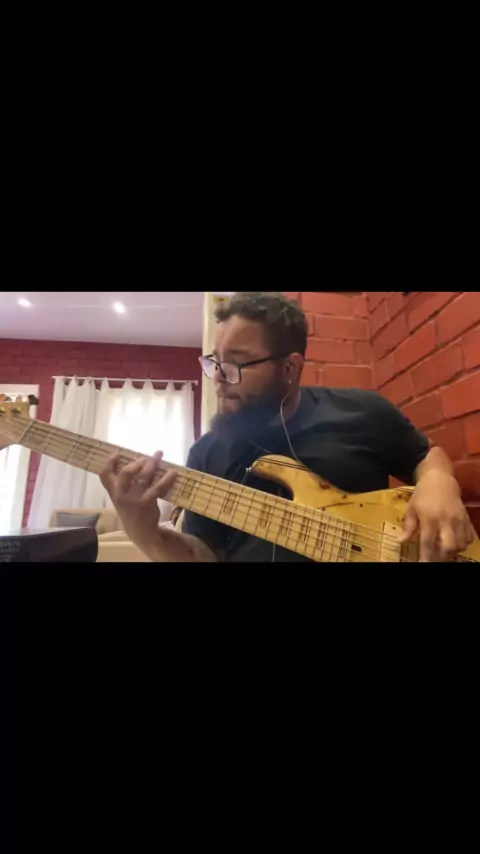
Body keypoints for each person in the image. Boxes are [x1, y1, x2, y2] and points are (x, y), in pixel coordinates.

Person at [100, 292, 475, 563]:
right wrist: (143, 531)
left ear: (289, 368)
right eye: (215, 362)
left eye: (237, 363)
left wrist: (439, 482)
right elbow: (204, 553)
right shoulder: (205, 452)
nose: (219, 378)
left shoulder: (362, 411)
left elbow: (426, 455)